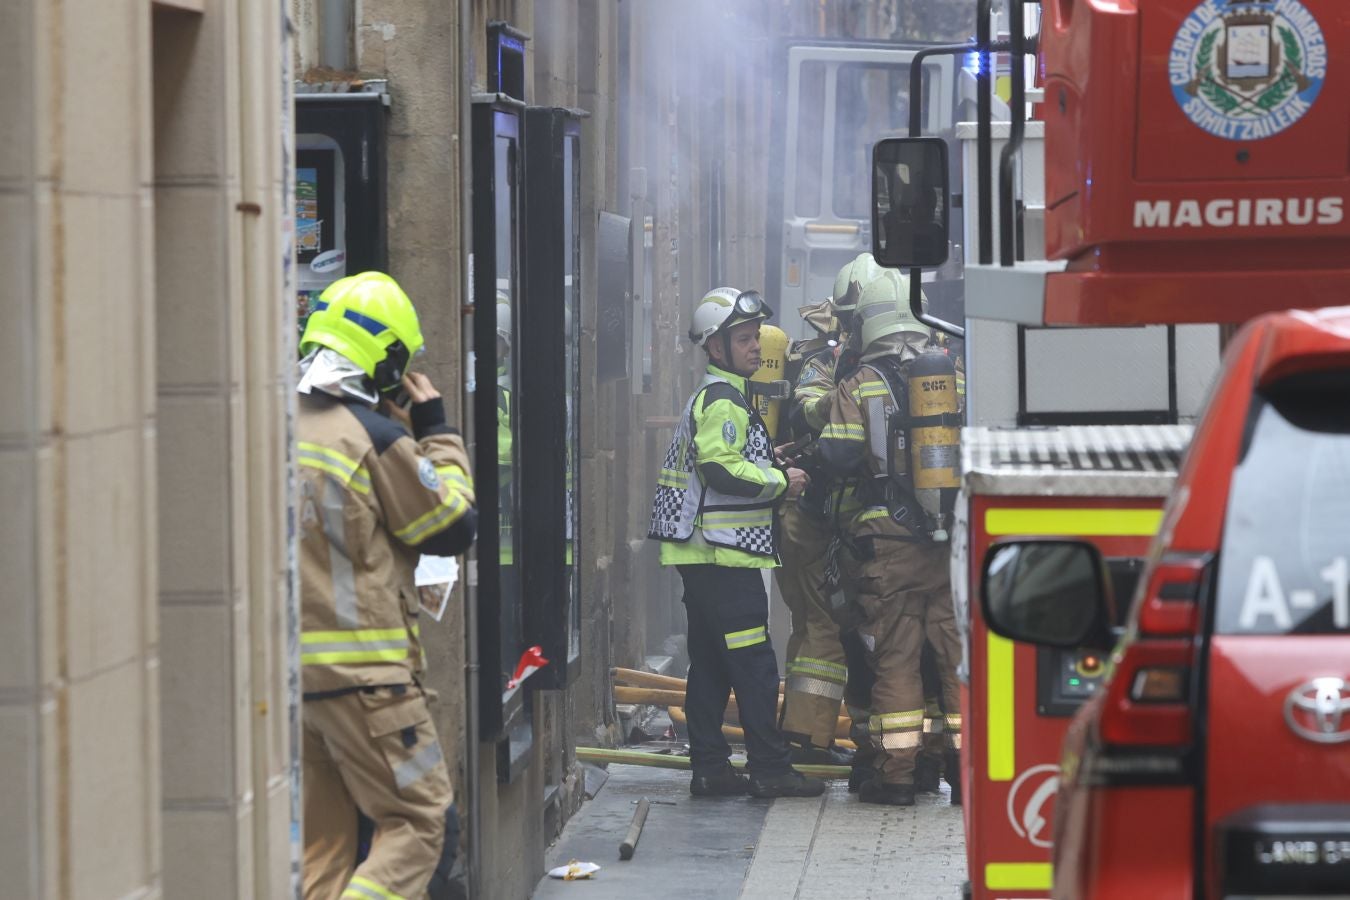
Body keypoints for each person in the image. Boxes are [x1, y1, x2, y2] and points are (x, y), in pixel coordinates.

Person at [296, 271, 477, 899]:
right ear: (387, 360)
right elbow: (452, 523)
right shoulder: (371, 438)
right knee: (422, 827)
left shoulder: (279, 428)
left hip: (299, 683)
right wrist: (436, 428)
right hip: (369, 680)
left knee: (327, 846)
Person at [648, 287, 826, 799]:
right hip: (723, 557)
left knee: (710, 662)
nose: (755, 348)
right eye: (744, 339)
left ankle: (709, 767)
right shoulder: (724, 401)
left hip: (704, 555)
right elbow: (720, 468)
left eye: (754, 339)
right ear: (716, 348)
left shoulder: (722, 398)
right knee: (752, 665)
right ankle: (770, 769)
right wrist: (780, 482)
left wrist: (772, 458)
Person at [818, 269, 962, 807]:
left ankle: (896, 777)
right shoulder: (953, 378)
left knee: (897, 658)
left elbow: (837, 455)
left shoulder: (860, 385)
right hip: (949, 545)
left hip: (888, 544)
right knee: (954, 658)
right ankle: (967, 774)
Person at [774, 296, 854, 765]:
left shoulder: (842, 364)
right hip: (807, 517)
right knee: (822, 625)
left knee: (811, 626)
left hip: (811, 517)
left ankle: (800, 733)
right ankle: (808, 740)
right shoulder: (819, 366)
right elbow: (810, 413)